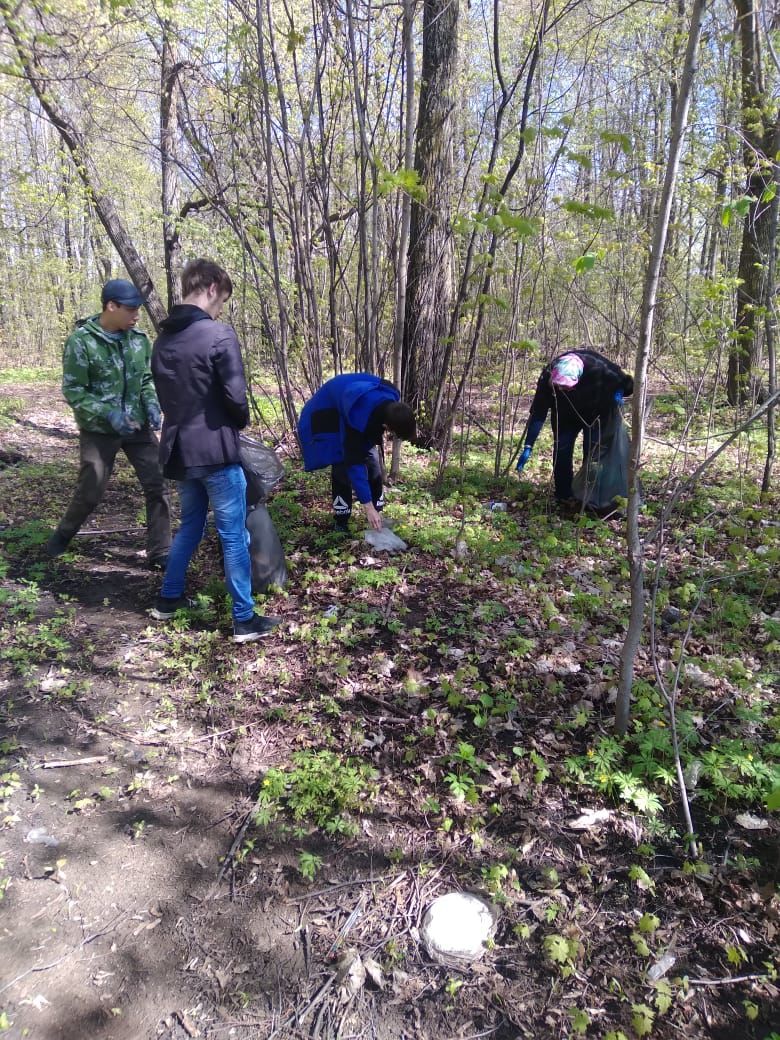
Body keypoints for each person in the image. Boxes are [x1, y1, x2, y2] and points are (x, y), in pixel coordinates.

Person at [150, 258, 279, 643]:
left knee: (190, 526)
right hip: (216, 452)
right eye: (221, 299)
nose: (221, 308)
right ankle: (244, 618)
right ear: (209, 289)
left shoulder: (162, 340)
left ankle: (168, 600)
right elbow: (236, 400)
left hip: (179, 452)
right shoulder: (218, 335)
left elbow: (166, 398)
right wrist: (237, 421)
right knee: (232, 533)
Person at [45, 278, 171, 567]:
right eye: (130, 309)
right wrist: (107, 413)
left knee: (158, 483)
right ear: (111, 306)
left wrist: (151, 405)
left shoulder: (139, 341)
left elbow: (147, 380)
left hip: (136, 427)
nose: (136, 315)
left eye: (138, 309)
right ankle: (63, 535)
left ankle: (161, 551)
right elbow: (74, 390)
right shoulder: (82, 342)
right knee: (91, 490)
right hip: (100, 430)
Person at [297, 373, 416, 531]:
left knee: (373, 462)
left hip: (352, 401)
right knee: (341, 463)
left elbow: (370, 429)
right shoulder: (356, 421)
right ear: (387, 426)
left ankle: (377, 512)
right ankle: (342, 521)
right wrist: (367, 507)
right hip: (327, 411)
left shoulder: (390, 396)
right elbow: (354, 462)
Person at [516, 349, 634, 504]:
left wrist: (618, 393)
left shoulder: (600, 367)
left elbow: (628, 384)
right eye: (560, 387)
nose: (564, 390)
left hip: (595, 415)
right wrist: (528, 445)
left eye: (568, 387)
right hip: (564, 417)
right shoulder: (547, 377)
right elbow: (539, 413)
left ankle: (589, 497)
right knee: (562, 452)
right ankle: (563, 495)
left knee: (593, 454)